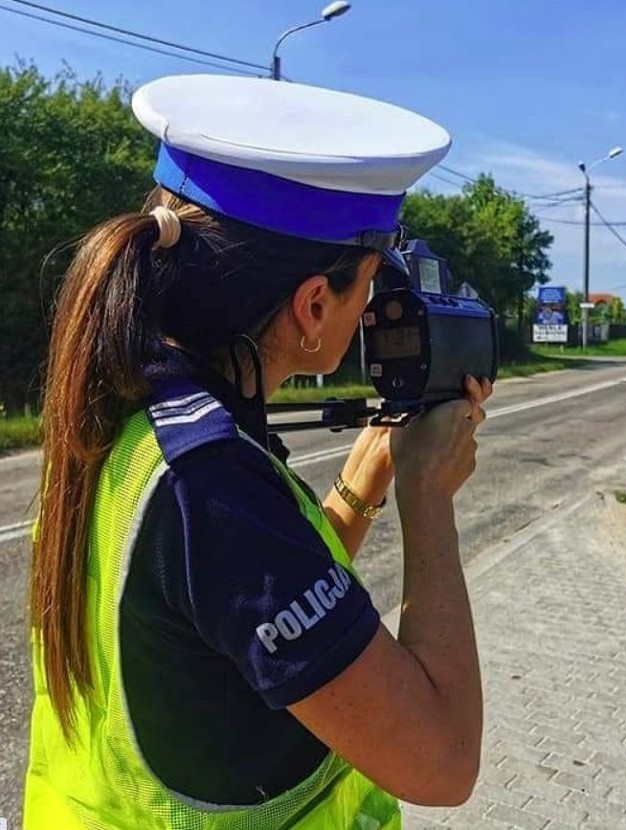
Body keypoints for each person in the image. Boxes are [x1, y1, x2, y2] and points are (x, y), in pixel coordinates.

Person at [24, 74, 491, 830]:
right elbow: (441, 761)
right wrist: (426, 497)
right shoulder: (209, 485)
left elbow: (232, 614)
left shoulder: (137, 411)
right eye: (368, 287)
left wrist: (355, 494)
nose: (376, 312)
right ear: (313, 306)